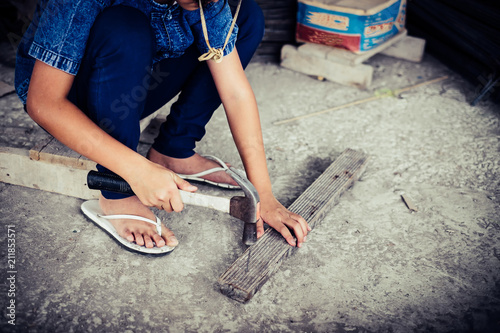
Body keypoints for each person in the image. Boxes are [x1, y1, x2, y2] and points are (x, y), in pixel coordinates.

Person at [15, 0, 310, 254]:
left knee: (245, 17)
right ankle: (118, 192)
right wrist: (136, 171)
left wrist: (265, 196)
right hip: (71, 96)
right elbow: (43, 103)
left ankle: (174, 149)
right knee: (125, 27)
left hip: (132, 83)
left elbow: (234, 92)